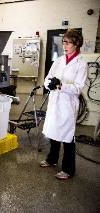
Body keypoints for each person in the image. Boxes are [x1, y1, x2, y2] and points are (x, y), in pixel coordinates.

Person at [40, 29, 87, 180]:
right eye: (64, 42)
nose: (65, 45)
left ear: (77, 43)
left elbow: (78, 88)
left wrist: (61, 85)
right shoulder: (59, 60)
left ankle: (68, 169)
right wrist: (50, 85)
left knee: (67, 137)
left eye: (68, 42)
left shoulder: (81, 63)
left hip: (68, 105)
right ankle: (52, 159)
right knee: (53, 132)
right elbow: (47, 78)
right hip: (55, 102)